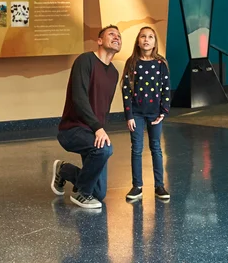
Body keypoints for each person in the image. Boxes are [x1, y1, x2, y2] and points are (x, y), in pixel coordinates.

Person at [51, 25, 122, 209]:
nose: (117, 37)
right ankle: (80, 194)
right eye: (111, 34)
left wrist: (100, 130)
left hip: (92, 132)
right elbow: (79, 98)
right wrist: (98, 128)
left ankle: (64, 170)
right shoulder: (85, 60)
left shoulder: (114, 73)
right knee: (105, 150)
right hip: (72, 129)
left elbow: (103, 108)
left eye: (119, 35)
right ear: (99, 41)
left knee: (99, 193)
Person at [121, 26, 171, 203]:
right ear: (138, 40)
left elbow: (166, 87)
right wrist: (129, 115)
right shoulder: (132, 62)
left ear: (155, 42)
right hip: (137, 114)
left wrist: (164, 111)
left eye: (150, 37)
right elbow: (126, 89)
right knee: (137, 149)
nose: (146, 40)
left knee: (156, 148)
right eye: (143, 36)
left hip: (155, 115)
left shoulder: (160, 63)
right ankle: (137, 186)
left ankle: (159, 185)